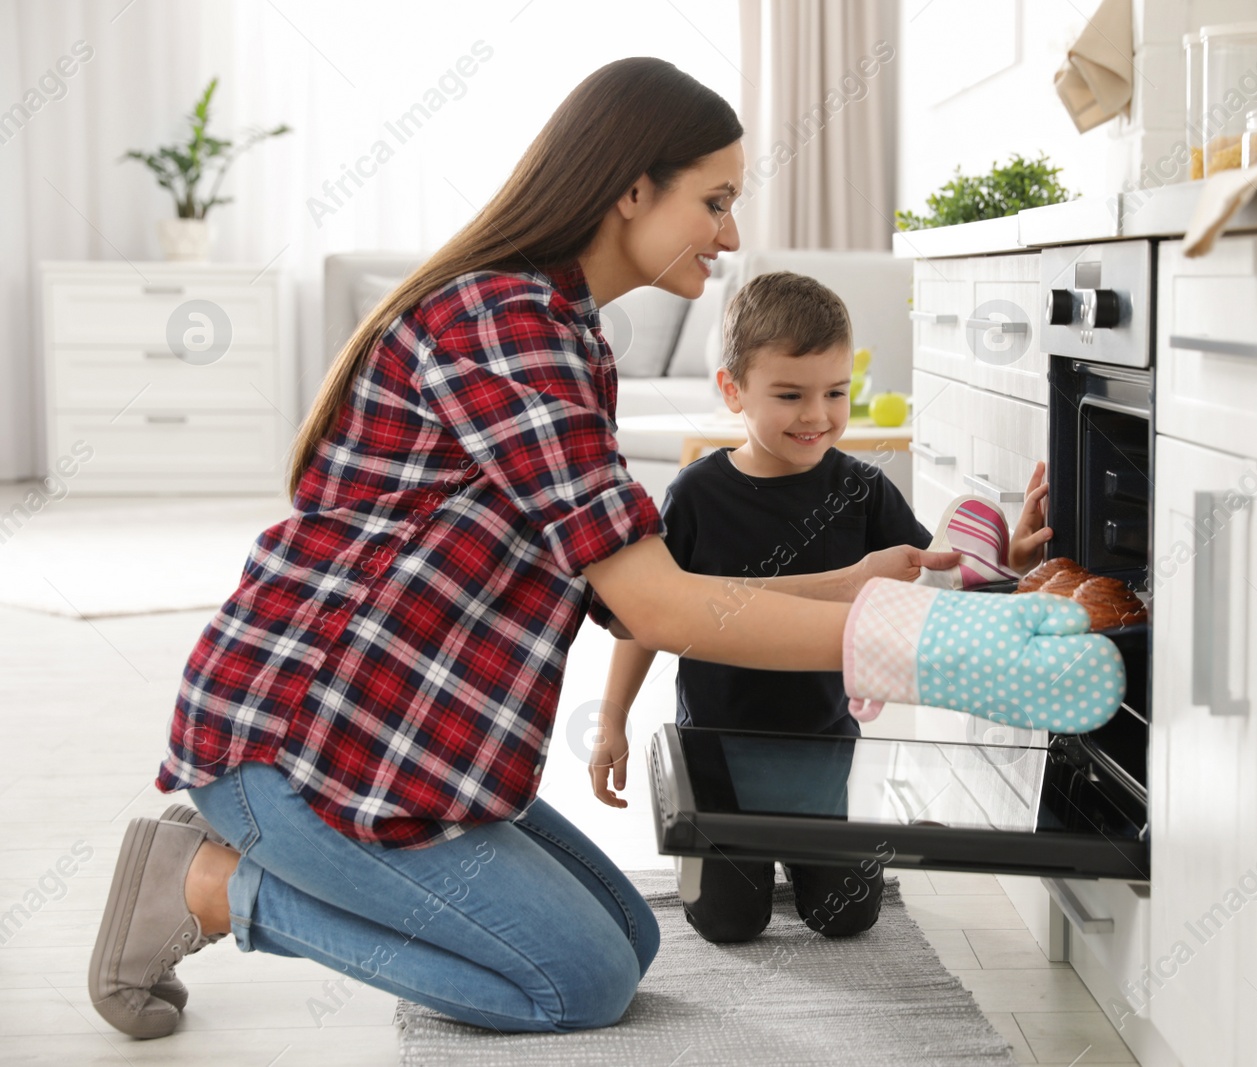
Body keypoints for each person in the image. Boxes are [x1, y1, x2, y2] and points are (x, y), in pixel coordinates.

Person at [87, 56, 1122, 1042]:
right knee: (575, 982)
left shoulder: (568, 333)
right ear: (633, 190)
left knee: (625, 938)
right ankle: (211, 883)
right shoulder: (504, 323)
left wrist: (872, 593)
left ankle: (236, 862)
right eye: (713, 199)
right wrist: (932, 644)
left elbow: (638, 595)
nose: (730, 232)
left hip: (413, 744)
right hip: (303, 749)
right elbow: (666, 611)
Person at [587, 270, 1054, 943]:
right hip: (714, 752)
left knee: (845, 918)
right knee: (727, 924)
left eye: (836, 392)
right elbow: (644, 620)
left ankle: (832, 852)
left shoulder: (862, 490)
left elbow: (937, 581)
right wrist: (610, 720)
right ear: (732, 390)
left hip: (824, 748)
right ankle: (734, 870)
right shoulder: (695, 495)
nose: (817, 416)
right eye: (790, 395)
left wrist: (1011, 560)